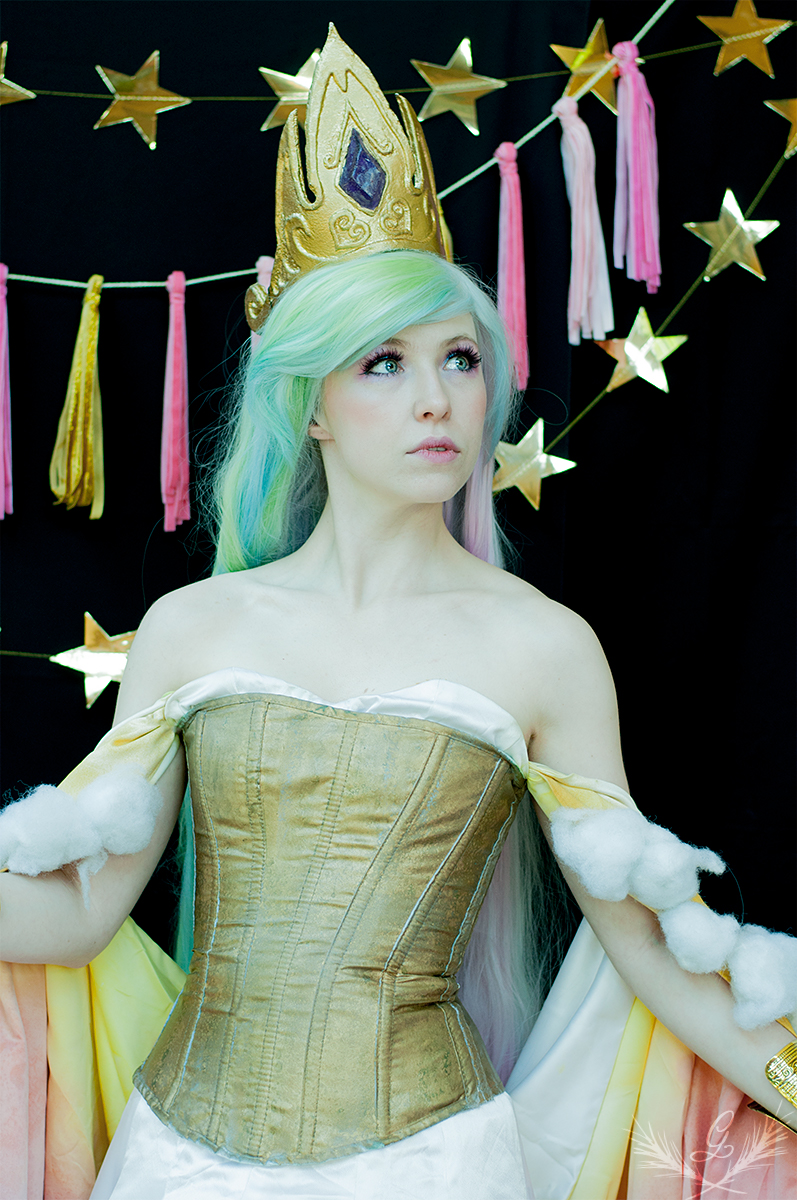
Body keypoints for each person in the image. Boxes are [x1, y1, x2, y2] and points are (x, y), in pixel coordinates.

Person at [1, 27, 795, 1200]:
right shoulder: (194, 626)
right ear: (310, 404)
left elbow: (652, 951)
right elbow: (75, 913)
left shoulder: (541, 646)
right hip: (171, 1161)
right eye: (382, 362)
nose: (436, 400)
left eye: (459, 359)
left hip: (432, 1164)